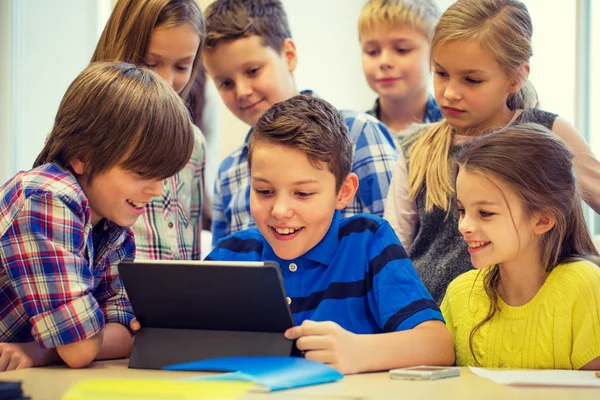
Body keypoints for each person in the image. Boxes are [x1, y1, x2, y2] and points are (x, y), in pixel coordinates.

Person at [206, 95, 454, 375]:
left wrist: (359, 352)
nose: (280, 210)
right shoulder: (229, 256)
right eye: (264, 191)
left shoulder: (367, 242)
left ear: (343, 191)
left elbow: (439, 345)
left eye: (303, 194)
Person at [384, 0, 600, 303]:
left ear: (516, 77)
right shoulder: (415, 149)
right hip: (434, 321)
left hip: (532, 319)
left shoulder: (549, 133)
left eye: (471, 80)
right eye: (441, 73)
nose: (449, 93)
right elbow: (394, 253)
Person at [0, 62, 194, 370]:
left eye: (164, 175)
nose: (157, 190)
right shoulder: (47, 197)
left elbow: (127, 332)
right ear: (82, 157)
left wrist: (41, 351)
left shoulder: (113, 226)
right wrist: (70, 344)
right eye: (142, 172)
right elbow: (79, 349)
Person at [202, 0, 398, 246]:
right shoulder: (229, 173)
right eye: (226, 83)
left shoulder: (359, 133)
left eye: (253, 71)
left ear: (289, 55)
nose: (242, 91)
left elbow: (398, 243)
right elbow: (226, 272)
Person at [441, 123, 600, 369]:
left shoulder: (583, 284)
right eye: (462, 210)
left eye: (485, 213)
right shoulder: (460, 293)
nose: (464, 226)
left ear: (543, 220)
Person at [92, 0, 207, 260]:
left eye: (181, 67)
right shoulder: (90, 133)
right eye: (151, 63)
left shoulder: (194, 142)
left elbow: (192, 248)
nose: (165, 81)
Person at [359, 0, 442, 142]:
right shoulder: (351, 133)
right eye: (372, 52)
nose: (384, 62)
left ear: (435, 53)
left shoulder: (458, 130)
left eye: (402, 49)